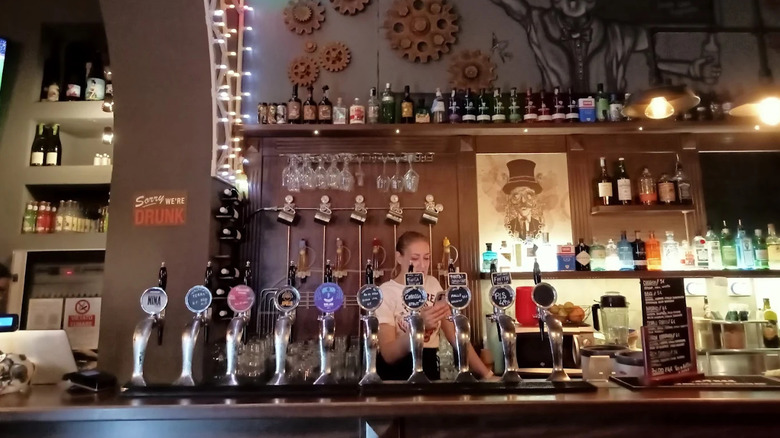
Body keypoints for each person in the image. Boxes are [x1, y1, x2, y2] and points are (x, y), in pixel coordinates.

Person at [490, 0, 721, 92]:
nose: (573, 1)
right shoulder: (539, 22)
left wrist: (692, 70)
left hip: (610, 114)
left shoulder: (618, 32)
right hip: (557, 114)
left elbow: (652, 61)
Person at [375, 231, 495, 381]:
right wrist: (419, 327)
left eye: (427, 258)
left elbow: (455, 336)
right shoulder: (386, 292)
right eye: (414, 258)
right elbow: (388, 354)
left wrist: (486, 375)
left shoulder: (432, 284)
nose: (423, 265)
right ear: (399, 257)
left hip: (429, 367)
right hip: (396, 376)